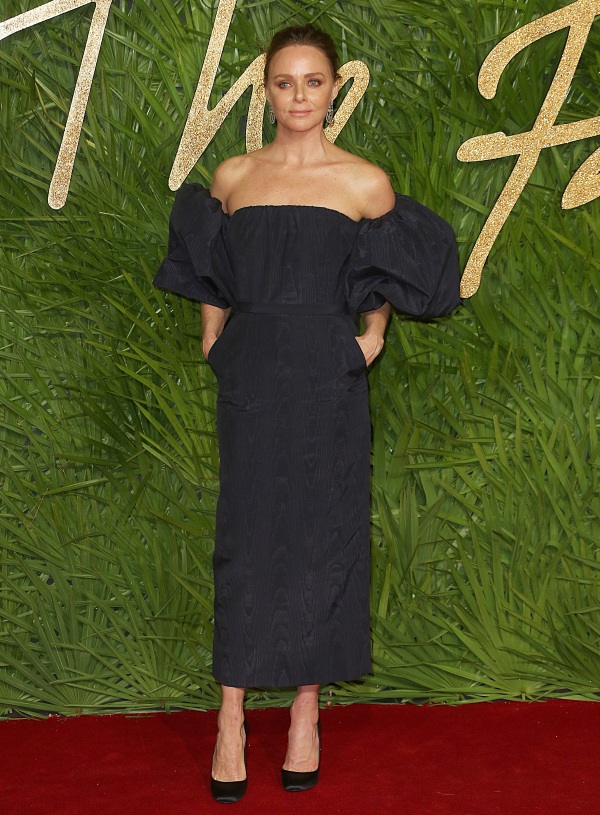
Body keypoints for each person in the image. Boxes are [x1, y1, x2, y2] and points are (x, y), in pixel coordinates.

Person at [154, 22, 461, 803]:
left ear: (334, 89)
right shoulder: (234, 175)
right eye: (285, 82)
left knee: (323, 538)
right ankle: (229, 719)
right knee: (246, 538)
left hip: (327, 377)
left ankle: (303, 716)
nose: (299, 96)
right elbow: (210, 269)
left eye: (313, 81)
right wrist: (213, 336)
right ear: (266, 90)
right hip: (253, 375)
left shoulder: (363, 182)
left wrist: (372, 336)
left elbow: (393, 267)